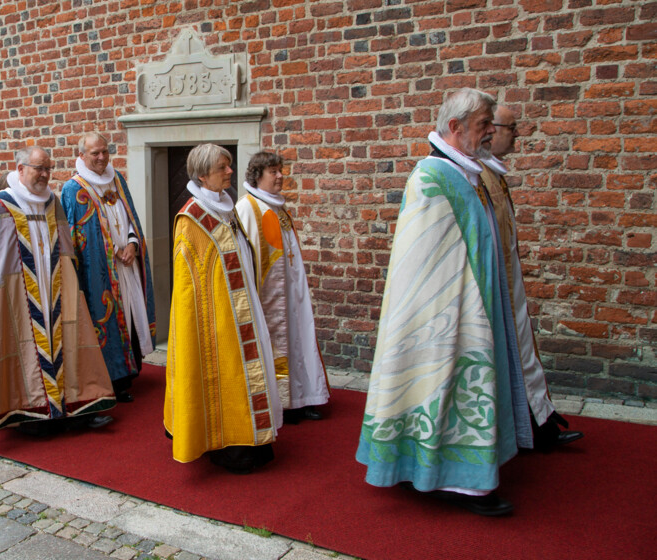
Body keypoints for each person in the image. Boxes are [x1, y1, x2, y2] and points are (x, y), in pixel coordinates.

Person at [357, 88, 526, 516]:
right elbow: (423, 261)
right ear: (455, 127)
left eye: (491, 124)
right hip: (443, 313)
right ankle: (453, 480)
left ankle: (459, 474)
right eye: (484, 124)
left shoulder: (468, 172)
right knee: (445, 390)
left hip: (474, 302)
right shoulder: (433, 177)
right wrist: (456, 308)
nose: (491, 131)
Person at [0, 146, 115, 433]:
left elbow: (66, 249)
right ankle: (25, 410)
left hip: (56, 291)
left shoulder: (52, 202)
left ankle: (74, 406)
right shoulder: (0, 204)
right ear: (20, 169)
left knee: (68, 343)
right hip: (15, 295)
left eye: (47, 169)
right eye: (38, 168)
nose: (43, 174)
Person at [165, 143, 282, 474]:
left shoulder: (225, 208)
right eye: (223, 167)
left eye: (229, 166)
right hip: (215, 318)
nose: (230, 171)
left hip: (243, 309)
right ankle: (229, 443)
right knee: (226, 375)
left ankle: (252, 436)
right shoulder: (192, 218)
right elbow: (189, 286)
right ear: (203, 175)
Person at [480, 106, 583, 452]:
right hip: (495, 286)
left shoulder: (491, 173)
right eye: (512, 127)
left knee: (522, 349)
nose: (516, 135)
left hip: (509, 281)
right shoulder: (477, 176)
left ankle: (539, 421)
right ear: (491, 130)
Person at [236, 152, 331, 423]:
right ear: (257, 175)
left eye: (280, 171)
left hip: (290, 293)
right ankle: (279, 402)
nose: (281, 176)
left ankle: (303, 396)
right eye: (273, 172)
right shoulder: (248, 208)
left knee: (298, 339)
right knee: (275, 343)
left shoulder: (278, 207)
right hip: (267, 296)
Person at [61, 132, 155, 403]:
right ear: (81, 156)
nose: (102, 157)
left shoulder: (117, 179)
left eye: (105, 151)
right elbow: (78, 234)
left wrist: (133, 244)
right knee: (109, 317)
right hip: (100, 270)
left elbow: (129, 218)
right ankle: (112, 379)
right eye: (95, 153)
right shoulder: (74, 189)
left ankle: (130, 370)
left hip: (127, 262)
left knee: (130, 314)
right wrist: (115, 250)